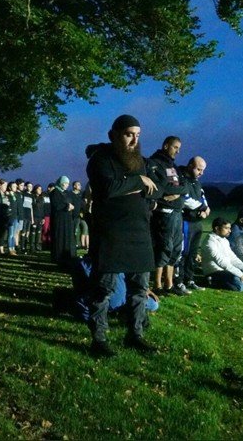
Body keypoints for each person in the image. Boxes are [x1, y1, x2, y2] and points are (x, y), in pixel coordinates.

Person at [86, 114, 160, 357]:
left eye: (137, 136)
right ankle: (99, 338)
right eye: (129, 134)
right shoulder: (101, 159)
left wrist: (150, 195)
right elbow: (109, 188)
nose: (134, 140)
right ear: (114, 135)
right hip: (111, 233)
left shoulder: (140, 161)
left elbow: (153, 190)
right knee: (103, 288)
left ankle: (135, 334)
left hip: (139, 232)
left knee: (139, 287)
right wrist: (139, 180)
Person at [147, 136, 189, 295]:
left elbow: (184, 186)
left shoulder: (173, 166)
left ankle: (169, 284)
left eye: (179, 148)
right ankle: (157, 284)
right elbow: (161, 189)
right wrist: (174, 191)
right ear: (166, 146)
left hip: (177, 213)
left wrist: (177, 193)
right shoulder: (154, 163)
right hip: (164, 213)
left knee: (175, 249)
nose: (178, 151)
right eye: (175, 147)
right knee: (164, 248)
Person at [177, 156, 210, 292]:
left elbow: (203, 197)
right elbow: (184, 198)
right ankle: (178, 281)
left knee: (193, 252)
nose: (201, 173)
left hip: (197, 223)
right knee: (183, 252)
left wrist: (206, 209)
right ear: (190, 165)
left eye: (203, 170)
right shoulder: (180, 178)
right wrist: (201, 208)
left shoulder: (197, 182)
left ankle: (189, 279)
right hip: (185, 221)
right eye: (199, 169)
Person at [202, 217, 243, 292]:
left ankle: (237, 281)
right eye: (226, 228)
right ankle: (211, 281)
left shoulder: (224, 240)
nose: (230, 231)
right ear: (217, 228)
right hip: (215, 272)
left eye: (230, 228)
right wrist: (240, 274)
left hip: (227, 270)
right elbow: (221, 262)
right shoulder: (209, 242)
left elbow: (233, 258)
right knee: (240, 286)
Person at [49, 176, 75, 267]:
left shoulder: (66, 193)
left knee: (67, 237)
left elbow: (70, 201)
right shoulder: (55, 192)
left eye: (68, 183)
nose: (66, 185)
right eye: (65, 183)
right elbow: (56, 205)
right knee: (59, 237)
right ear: (61, 183)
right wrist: (66, 206)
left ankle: (67, 256)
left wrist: (71, 206)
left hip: (67, 219)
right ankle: (58, 257)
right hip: (59, 219)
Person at [29, 185, 45, 252]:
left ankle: (37, 245)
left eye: (41, 189)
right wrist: (32, 218)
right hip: (34, 217)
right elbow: (31, 208)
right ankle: (31, 246)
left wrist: (43, 218)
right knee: (33, 231)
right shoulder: (32, 197)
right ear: (35, 189)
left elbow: (43, 208)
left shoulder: (42, 198)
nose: (40, 190)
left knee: (39, 232)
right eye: (39, 189)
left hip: (40, 217)